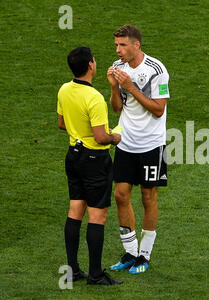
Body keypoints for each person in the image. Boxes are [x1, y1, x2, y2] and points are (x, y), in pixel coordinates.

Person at [107, 25, 170, 274]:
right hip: (125, 142)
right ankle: (130, 251)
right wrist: (114, 86)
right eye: (116, 45)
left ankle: (145, 254)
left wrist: (131, 87)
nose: (118, 50)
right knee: (121, 195)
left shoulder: (157, 70)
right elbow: (116, 108)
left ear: (136, 45)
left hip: (152, 144)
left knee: (147, 197)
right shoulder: (118, 67)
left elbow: (158, 109)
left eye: (122, 45)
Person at [57, 47, 123, 285]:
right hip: (95, 160)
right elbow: (100, 137)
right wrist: (115, 137)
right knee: (97, 215)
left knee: (75, 210)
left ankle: (73, 270)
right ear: (91, 66)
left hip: (73, 156)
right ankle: (95, 274)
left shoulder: (64, 89)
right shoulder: (94, 97)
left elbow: (62, 124)